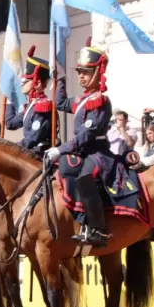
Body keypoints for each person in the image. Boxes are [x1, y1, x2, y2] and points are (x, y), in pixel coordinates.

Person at [44, 46, 114, 248]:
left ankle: (97, 229)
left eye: (86, 72)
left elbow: (86, 135)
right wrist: (60, 79)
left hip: (98, 151)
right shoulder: (82, 99)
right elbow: (60, 103)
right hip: (83, 151)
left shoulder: (100, 101)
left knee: (85, 177)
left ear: (97, 73)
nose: (81, 76)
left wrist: (61, 149)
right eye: (80, 72)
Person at [5, 47, 53, 155]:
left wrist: (12, 148)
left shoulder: (42, 106)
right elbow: (10, 124)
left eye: (26, 81)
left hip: (41, 153)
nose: (21, 83)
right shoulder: (31, 106)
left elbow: (33, 138)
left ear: (37, 83)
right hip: (30, 151)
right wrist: (10, 98)